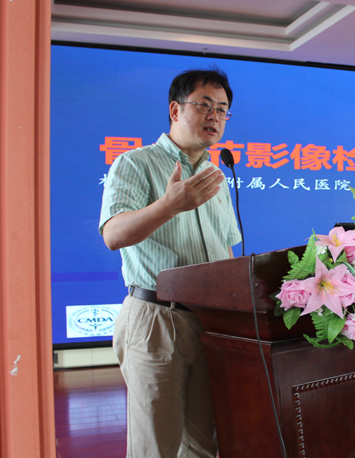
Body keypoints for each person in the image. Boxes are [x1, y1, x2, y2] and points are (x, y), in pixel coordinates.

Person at [99, 68, 241, 458]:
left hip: (210, 323)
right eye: (205, 105)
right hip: (157, 319)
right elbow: (113, 235)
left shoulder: (215, 176)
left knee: (205, 446)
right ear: (176, 110)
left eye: (222, 109)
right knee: (154, 447)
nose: (214, 116)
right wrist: (168, 206)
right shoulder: (135, 163)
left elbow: (224, 250)